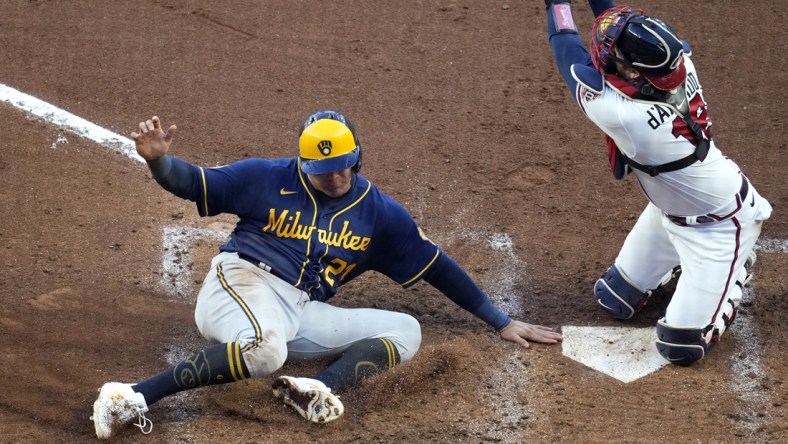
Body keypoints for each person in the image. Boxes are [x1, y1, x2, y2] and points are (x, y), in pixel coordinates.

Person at [90, 111, 563, 439]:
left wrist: (500, 321)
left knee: (405, 330)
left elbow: (437, 266)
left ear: (358, 157)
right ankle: (132, 395)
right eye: (322, 172)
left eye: (342, 168)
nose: (335, 179)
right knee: (266, 349)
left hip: (300, 309)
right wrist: (157, 161)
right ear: (303, 163)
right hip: (240, 284)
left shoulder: (381, 214)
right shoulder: (263, 176)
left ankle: (317, 389)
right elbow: (192, 181)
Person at [540, 0, 772, 366]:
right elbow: (617, 19)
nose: (606, 53)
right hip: (671, 209)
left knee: (681, 348)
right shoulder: (674, 59)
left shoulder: (623, 115)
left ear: (634, 75)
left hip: (722, 228)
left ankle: (736, 268)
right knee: (613, 298)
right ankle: (680, 264)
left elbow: (566, 47)